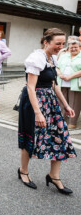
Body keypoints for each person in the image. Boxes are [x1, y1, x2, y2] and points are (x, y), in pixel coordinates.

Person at [18, 28, 77, 195]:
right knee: (31, 136)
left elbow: (54, 84)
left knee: (61, 136)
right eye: (57, 43)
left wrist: (66, 105)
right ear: (46, 42)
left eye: (62, 43)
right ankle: (23, 171)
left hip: (50, 102)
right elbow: (30, 87)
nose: (61, 46)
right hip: (34, 102)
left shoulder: (53, 59)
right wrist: (38, 113)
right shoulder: (36, 58)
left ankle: (54, 176)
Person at [57, 38, 81, 129]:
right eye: (71, 47)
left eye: (75, 47)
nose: (73, 49)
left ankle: (72, 122)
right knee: (62, 102)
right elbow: (57, 67)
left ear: (79, 47)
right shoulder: (64, 56)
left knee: (74, 103)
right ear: (68, 47)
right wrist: (60, 74)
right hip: (62, 82)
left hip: (75, 83)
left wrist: (70, 77)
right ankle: (62, 120)